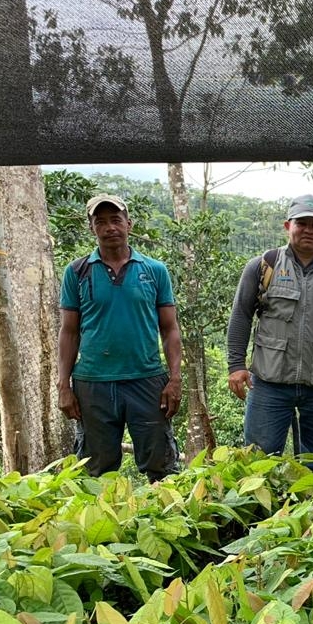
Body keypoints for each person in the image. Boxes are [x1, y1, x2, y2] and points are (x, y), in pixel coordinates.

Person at [225, 195, 313, 471]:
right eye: (301, 223)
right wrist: (236, 366)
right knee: (258, 464)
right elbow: (240, 317)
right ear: (287, 226)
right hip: (269, 383)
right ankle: (261, 515)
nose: (308, 230)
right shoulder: (263, 266)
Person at [57, 193, 181, 481]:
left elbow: (170, 328)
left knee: (162, 468)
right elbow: (69, 331)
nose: (109, 227)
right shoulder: (77, 272)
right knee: (95, 470)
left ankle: (166, 523)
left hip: (146, 380)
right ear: (91, 228)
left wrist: (174, 379)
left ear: (129, 224)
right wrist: (63, 385)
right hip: (92, 384)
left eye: (116, 220)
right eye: (101, 222)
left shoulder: (154, 271)